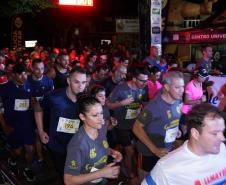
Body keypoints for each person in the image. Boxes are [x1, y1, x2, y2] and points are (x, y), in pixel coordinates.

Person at [142, 103, 226, 185]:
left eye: (222, 131)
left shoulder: (222, 149)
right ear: (195, 133)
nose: (223, 138)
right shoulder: (167, 169)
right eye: (215, 133)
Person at [132, 71, 184, 183]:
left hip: (166, 150)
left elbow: (172, 119)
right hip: (148, 152)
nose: (182, 90)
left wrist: (176, 129)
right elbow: (136, 128)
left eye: (182, 87)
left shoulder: (177, 100)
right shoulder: (154, 106)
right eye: (177, 87)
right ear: (166, 87)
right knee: (145, 181)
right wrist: (154, 149)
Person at [35, 66, 87, 176]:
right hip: (58, 146)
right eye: (76, 82)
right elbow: (38, 107)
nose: (80, 86)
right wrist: (40, 131)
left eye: (83, 82)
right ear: (68, 81)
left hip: (78, 146)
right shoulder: (54, 96)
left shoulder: (86, 99)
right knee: (64, 174)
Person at [64, 96, 122, 185]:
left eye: (101, 113)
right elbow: (68, 180)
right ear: (82, 117)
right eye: (95, 115)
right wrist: (102, 173)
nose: (100, 119)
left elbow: (100, 145)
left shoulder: (101, 128)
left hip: (101, 178)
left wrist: (111, 152)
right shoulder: (77, 144)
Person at [107, 65, 149, 179]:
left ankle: (123, 159)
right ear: (134, 79)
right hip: (121, 125)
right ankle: (130, 175)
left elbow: (144, 103)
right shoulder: (120, 88)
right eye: (142, 80)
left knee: (135, 149)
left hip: (135, 124)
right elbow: (108, 104)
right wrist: (121, 103)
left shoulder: (145, 88)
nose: (145, 83)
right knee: (129, 151)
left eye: (146, 80)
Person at [0, 63, 35, 181]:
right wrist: (4, 126)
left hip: (26, 124)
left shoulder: (29, 84)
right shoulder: (5, 88)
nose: (23, 77)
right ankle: (12, 160)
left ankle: (28, 169)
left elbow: (31, 101)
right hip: (13, 126)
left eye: (25, 73)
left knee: (30, 149)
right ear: (14, 75)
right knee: (18, 151)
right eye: (20, 74)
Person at [24, 58, 54, 165]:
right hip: (29, 114)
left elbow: (51, 99)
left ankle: (43, 154)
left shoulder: (49, 81)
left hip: (46, 114)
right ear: (32, 68)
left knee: (42, 133)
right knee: (36, 134)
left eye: (42, 68)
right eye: (37, 69)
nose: (40, 71)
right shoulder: (26, 81)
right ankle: (39, 156)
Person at [180, 68, 209, 136]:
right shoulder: (189, 86)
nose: (204, 78)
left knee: (191, 132)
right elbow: (186, 101)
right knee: (184, 133)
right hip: (186, 112)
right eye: (202, 76)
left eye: (205, 76)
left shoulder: (200, 83)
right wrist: (199, 101)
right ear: (197, 76)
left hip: (194, 110)